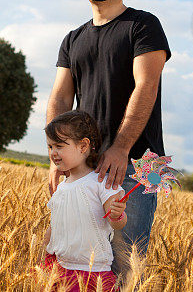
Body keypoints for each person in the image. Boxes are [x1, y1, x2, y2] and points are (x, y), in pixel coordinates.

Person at [46, 0, 171, 268]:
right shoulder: (72, 39)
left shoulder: (143, 25)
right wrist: (56, 156)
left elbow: (146, 85)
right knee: (75, 260)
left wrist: (120, 147)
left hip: (136, 166)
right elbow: (60, 98)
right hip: (83, 165)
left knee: (124, 265)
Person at [41, 110, 126, 292]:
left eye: (59, 146)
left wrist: (117, 215)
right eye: (50, 147)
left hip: (92, 274)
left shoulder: (101, 182)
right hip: (60, 268)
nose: (53, 153)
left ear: (83, 146)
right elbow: (55, 223)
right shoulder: (62, 187)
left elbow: (116, 223)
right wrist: (43, 251)